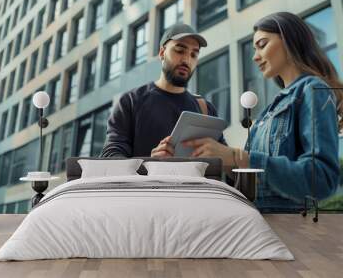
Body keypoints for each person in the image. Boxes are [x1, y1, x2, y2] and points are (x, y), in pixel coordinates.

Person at [182, 12, 342, 212]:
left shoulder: (312, 90)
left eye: (262, 44)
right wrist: (216, 160)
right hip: (253, 223)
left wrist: (238, 157)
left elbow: (321, 179)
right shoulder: (267, 113)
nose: (255, 57)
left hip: (286, 230)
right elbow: (250, 181)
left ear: (289, 39)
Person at [100, 23, 226, 158]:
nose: (187, 60)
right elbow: (111, 155)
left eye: (194, 54)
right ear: (162, 53)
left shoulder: (205, 110)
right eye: (179, 50)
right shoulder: (131, 101)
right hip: (144, 179)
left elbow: (225, 165)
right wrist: (150, 164)